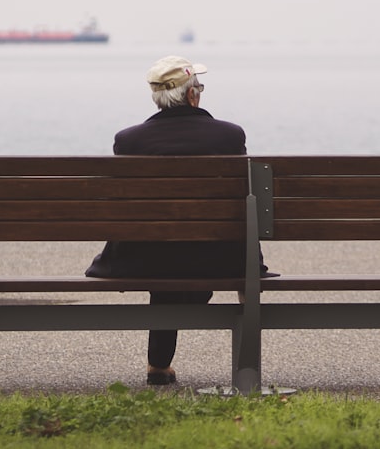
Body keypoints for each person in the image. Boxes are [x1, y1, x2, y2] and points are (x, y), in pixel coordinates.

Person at [85, 56, 270, 385]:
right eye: (198, 86)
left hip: (144, 260)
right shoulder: (228, 136)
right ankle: (235, 366)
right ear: (192, 96)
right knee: (190, 250)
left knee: (164, 248)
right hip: (220, 260)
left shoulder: (129, 141)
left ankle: (158, 364)